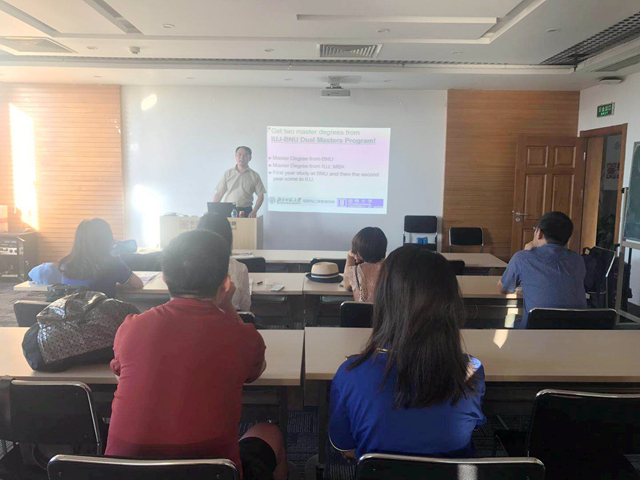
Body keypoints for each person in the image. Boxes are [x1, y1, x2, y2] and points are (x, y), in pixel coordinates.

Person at [106, 230, 287, 480]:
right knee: (270, 432)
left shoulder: (130, 327)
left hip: (121, 473)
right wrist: (228, 306)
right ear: (225, 283)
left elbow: (120, 375)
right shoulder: (242, 336)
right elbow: (256, 371)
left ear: (165, 278)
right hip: (212, 472)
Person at [330, 246, 486, 460]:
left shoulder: (350, 374)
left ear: (384, 300)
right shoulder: (472, 371)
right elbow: (471, 427)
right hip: (454, 473)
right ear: (451, 304)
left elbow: (347, 449)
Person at [498, 211, 587, 329]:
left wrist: (526, 252)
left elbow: (503, 288)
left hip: (535, 332)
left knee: (510, 318)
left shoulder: (522, 258)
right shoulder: (578, 260)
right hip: (574, 332)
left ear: (539, 233)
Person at [59, 218, 143, 298]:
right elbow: (137, 284)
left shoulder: (65, 263)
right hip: (103, 308)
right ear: (106, 240)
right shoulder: (112, 263)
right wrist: (116, 285)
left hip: (72, 308)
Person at [197, 212, 251, 311]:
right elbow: (245, 307)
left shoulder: (187, 269)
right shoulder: (239, 268)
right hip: (231, 319)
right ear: (228, 237)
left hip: (195, 320)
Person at [213, 146, 266, 218]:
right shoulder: (228, 173)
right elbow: (219, 193)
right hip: (228, 210)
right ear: (235, 156)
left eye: (245, 155)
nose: (241, 157)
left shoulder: (254, 175)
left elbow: (260, 196)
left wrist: (254, 211)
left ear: (250, 158)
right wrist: (212, 210)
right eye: (239, 154)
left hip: (246, 210)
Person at [343, 227, 387, 302]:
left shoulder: (354, 272)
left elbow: (346, 286)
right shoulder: (392, 268)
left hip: (361, 310)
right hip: (387, 310)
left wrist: (349, 256)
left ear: (359, 253)